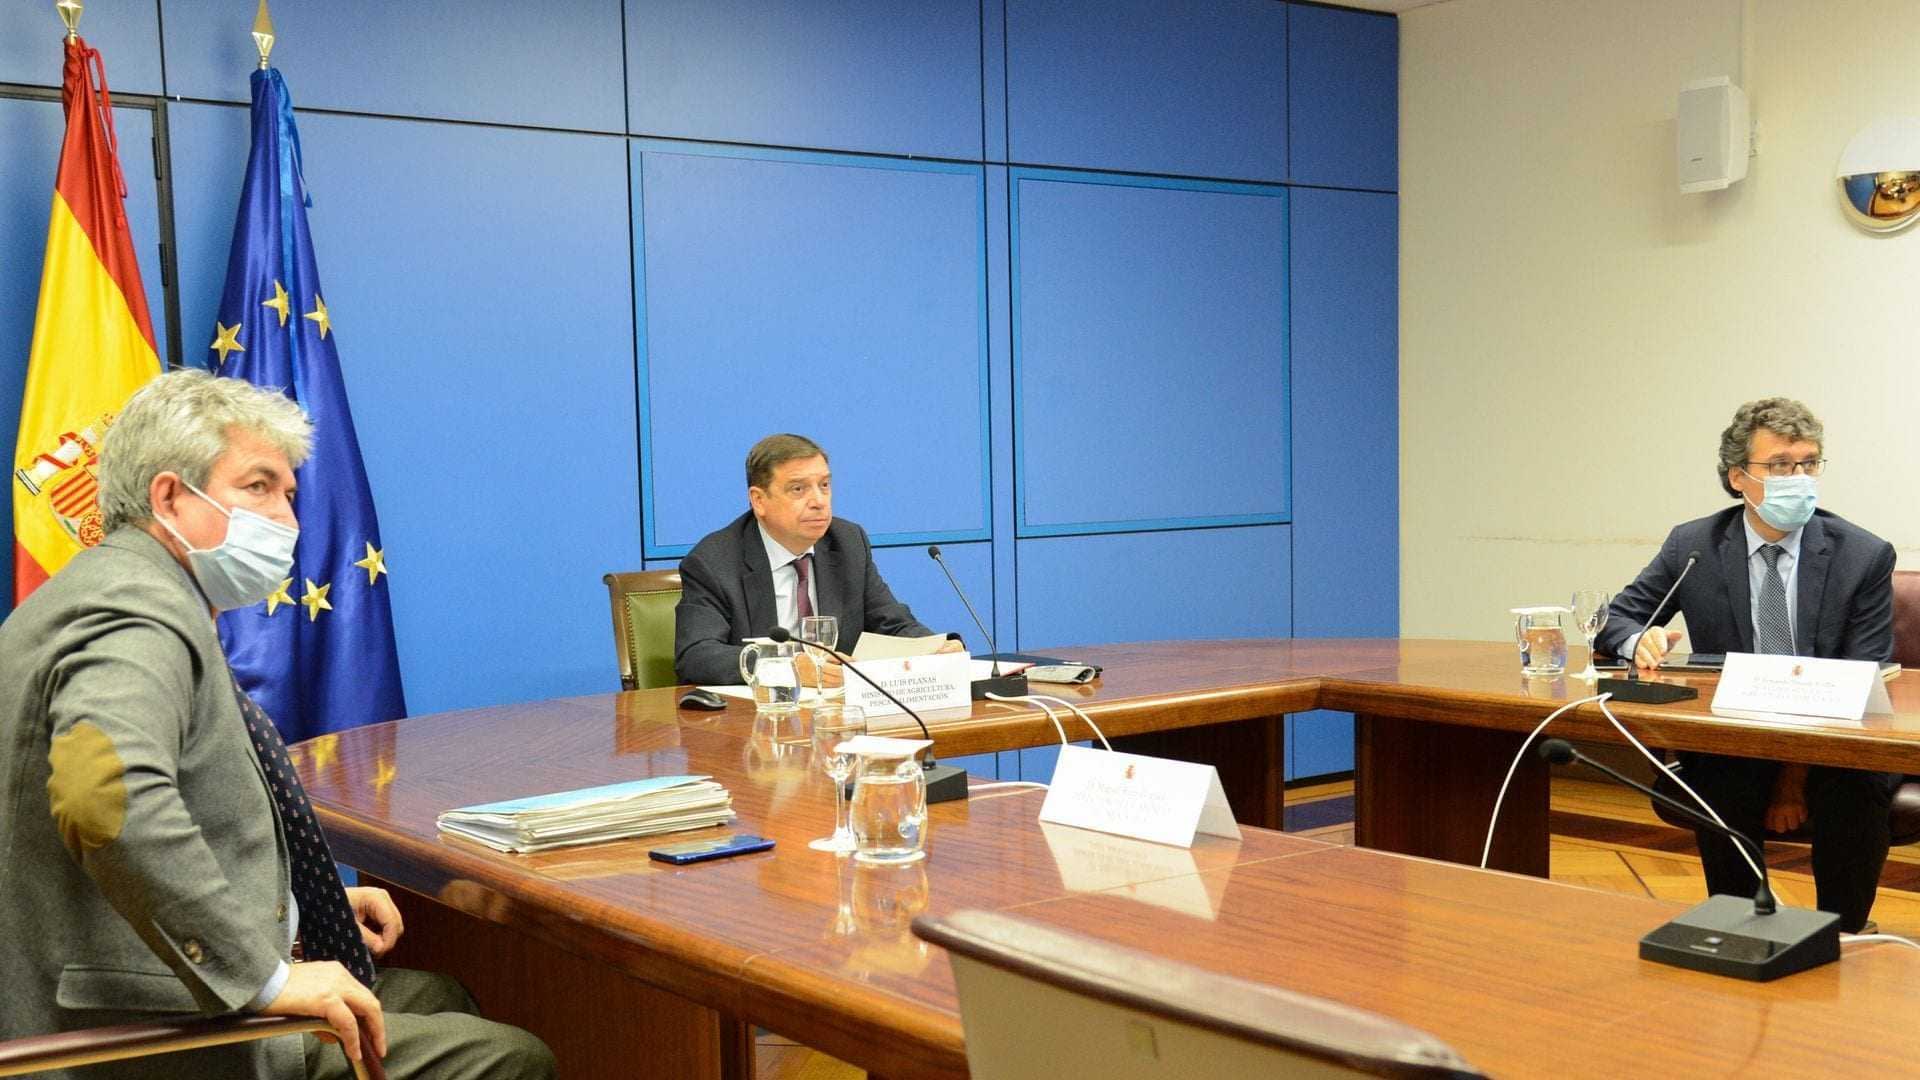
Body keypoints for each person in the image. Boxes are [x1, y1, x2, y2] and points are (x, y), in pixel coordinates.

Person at [0, 370, 554, 1079]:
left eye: (289, 495)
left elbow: (186, 801)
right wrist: (266, 976)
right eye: (257, 488)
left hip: (133, 978)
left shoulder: (119, 588)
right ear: (169, 496)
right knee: (512, 1060)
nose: (287, 522)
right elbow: (107, 798)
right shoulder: (135, 615)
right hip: (133, 1035)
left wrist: (291, 901)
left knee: (440, 993)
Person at [1594, 397, 1897, 932]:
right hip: (1739, 732)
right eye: (1779, 465)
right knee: (1719, 774)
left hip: (1834, 737)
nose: (1798, 477)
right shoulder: (1695, 545)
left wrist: (1792, 779)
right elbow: (1618, 617)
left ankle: (1843, 932)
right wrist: (1637, 638)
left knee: (1853, 782)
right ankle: (1738, 925)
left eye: (1809, 463)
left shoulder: (1863, 555)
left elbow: (1861, 677)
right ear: (1738, 477)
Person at [674, 433, 959, 686]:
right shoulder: (714, 561)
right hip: (760, 722)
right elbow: (697, 655)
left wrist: (933, 647)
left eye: (824, 485)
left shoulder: (847, 543)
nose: (819, 501)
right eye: (798, 489)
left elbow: (892, 623)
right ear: (759, 500)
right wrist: (788, 669)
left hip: (842, 718)